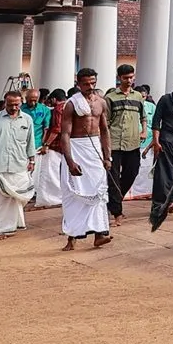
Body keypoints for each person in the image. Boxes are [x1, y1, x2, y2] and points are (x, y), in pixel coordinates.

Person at [59, 70, 112, 249]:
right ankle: (71, 238)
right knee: (74, 193)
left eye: (92, 83)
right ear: (78, 84)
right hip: (76, 148)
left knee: (98, 192)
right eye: (86, 84)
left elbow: (104, 130)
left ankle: (99, 234)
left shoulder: (101, 102)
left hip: (94, 149)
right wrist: (70, 161)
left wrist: (108, 156)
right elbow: (65, 134)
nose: (90, 87)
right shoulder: (71, 104)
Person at [0, 89, 36, 239]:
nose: (14, 107)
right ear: (5, 103)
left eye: (17, 104)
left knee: (18, 197)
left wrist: (32, 160)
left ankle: (15, 224)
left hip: (19, 164)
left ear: (21, 103)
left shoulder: (27, 119)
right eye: (10, 104)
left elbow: (30, 141)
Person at [104, 64, 147, 225]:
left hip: (133, 142)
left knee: (132, 173)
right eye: (125, 78)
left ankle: (113, 201)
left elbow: (143, 117)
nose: (129, 81)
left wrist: (144, 131)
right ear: (119, 78)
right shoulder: (110, 98)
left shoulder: (138, 96)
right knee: (113, 178)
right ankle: (117, 213)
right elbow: (105, 122)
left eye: (131, 77)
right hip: (114, 143)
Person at [33, 88, 67, 208]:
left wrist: (47, 144)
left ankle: (50, 199)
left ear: (54, 99)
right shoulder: (70, 106)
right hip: (67, 145)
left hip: (56, 145)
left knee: (50, 173)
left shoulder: (58, 109)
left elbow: (57, 129)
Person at [129, 86, 158, 199]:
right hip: (132, 142)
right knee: (134, 168)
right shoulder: (130, 105)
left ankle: (145, 192)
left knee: (147, 168)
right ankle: (133, 193)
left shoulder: (151, 107)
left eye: (144, 97)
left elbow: (156, 124)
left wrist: (155, 141)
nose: (142, 99)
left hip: (148, 142)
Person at [20, 85, 51, 185]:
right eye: (30, 100)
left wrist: (45, 144)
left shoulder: (44, 110)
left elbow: (46, 128)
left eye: (35, 100)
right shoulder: (20, 109)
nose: (33, 103)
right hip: (22, 144)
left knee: (34, 170)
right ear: (26, 98)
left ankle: (33, 189)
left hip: (37, 144)